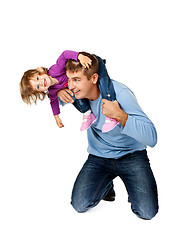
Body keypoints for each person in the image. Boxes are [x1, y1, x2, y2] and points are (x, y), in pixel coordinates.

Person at [58, 53, 159, 220]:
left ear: (94, 78)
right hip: (99, 157)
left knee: (147, 212)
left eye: (76, 80)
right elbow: (51, 90)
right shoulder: (76, 94)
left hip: (132, 156)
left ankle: (132, 188)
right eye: (69, 80)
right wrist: (59, 91)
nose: (71, 86)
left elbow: (152, 138)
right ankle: (106, 186)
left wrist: (121, 116)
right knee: (79, 204)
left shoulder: (120, 93)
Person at [20, 50, 118, 132]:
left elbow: (64, 55)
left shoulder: (55, 70)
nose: (41, 83)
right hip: (83, 83)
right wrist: (56, 116)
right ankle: (88, 114)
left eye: (38, 78)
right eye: (38, 87)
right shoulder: (52, 91)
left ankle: (111, 113)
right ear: (40, 91)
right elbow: (53, 102)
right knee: (72, 93)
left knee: (105, 84)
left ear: (40, 71)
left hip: (90, 62)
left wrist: (79, 56)